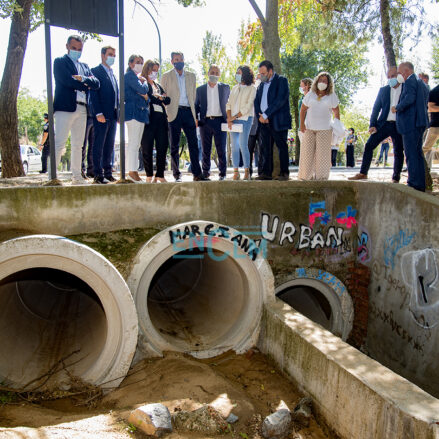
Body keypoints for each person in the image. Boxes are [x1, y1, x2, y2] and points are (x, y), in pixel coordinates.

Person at [53, 35, 99, 184]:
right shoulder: (60, 62)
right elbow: (66, 80)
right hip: (65, 107)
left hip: (82, 108)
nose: (77, 51)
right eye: (74, 48)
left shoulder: (85, 67)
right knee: (60, 142)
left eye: (79, 49)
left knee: (78, 145)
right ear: (67, 46)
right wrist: (84, 84)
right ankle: (52, 176)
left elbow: (96, 83)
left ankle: (77, 176)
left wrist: (83, 79)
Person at [349, 66, 405, 183]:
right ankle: (363, 173)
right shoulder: (383, 90)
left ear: (399, 75)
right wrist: (372, 124)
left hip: (399, 125)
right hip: (383, 124)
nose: (390, 79)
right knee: (369, 145)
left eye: (393, 76)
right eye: (388, 77)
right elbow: (376, 108)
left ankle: (396, 178)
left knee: (398, 151)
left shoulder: (405, 89)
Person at [161, 51, 207, 182]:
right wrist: (167, 112)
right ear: (172, 61)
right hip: (173, 112)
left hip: (188, 112)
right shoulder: (166, 76)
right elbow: (163, 95)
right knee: (174, 145)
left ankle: (197, 174)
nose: (179, 61)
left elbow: (193, 96)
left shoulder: (191, 76)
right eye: (176, 59)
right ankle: (176, 174)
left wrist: (195, 115)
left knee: (193, 144)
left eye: (181, 59)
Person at [392, 62, 429, 192]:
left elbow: (409, 98)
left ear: (406, 71)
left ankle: (413, 183)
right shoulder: (422, 83)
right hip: (419, 122)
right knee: (417, 154)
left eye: (400, 73)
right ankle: (420, 183)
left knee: (411, 154)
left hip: (411, 123)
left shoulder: (410, 81)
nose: (399, 75)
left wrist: (397, 107)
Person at [298, 72, 340, 180]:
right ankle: (305, 179)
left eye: (325, 81)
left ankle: (321, 180)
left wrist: (338, 127)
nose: (322, 82)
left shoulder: (332, 96)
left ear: (329, 83)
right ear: (316, 81)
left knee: (322, 157)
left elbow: (336, 112)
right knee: (307, 156)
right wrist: (301, 124)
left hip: (325, 130)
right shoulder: (311, 94)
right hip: (309, 129)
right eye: (320, 80)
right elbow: (302, 110)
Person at [254, 60, 292, 180]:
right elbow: (256, 102)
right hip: (263, 122)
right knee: (265, 148)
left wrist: (266, 115)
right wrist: (260, 116)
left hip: (278, 121)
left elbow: (280, 100)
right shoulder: (260, 85)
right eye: (260, 73)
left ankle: (284, 173)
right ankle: (266, 173)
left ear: (270, 71)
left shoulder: (281, 81)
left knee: (282, 146)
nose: (261, 76)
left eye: (263, 73)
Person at [89, 46, 119, 184]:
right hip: (101, 114)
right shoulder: (95, 71)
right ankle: (97, 174)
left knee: (109, 145)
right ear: (102, 55)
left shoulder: (113, 73)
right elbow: (93, 93)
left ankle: (108, 172)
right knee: (99, 144)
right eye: (110, 54)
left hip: (112, 115)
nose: (112, 57)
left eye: (114, 54)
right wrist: (98, 112)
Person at [195, 65, 230, 181]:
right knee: (206, 149)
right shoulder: (200, 90)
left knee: (221, 148)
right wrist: (196, 118)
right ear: (208, 73)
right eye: (212, 72)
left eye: (217, 72)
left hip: (221, 121)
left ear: (219, 75)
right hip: (205, 122)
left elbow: (230, 104)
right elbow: (196, 106)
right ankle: (205, 173)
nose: (214, 74)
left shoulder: (225, 88)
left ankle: (222, 173)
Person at [140, 60, 171, 183]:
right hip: (149, 119)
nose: (155, 73)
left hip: (162, 119)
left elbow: (167, 100)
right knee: (147, 146)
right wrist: (159, 98)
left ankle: (160, 174)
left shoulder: (158, 86)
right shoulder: (143, 83)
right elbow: (149, 98)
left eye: (157, 71)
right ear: (147, 69)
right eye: (153, 70)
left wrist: (160, 98)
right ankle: (148, 174)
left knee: (162, 146)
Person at [226, 65, 255, 180]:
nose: (237, 75)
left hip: (246, 119)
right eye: (237, 72)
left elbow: (248, 106)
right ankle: (236, 171)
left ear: (245, 74)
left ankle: (247, 171)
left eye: (239, 72)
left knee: (243, 144)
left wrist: (234, 117)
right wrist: (229, 118)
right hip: (233, 120)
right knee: (234, 146)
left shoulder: (252, 88)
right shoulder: (234, 88)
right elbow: (228, 104)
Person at [124, 55, 149, 183]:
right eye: (137, 62)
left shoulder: (137, 78)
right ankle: (131, 172)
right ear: (130, 63)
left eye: (141, 62)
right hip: (132, 113)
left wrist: (144, 94)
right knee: (133, 143)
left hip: (140, 114)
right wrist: (144, 84)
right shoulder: (129, 76)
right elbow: (143, 90)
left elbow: (147, 97)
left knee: (136, 144)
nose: (140, 64)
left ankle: (134, 171)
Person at [422, 83, 439, 171]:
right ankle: (414, 166)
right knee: (426, 148)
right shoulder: (435, 91)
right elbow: (431, 108)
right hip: (436, 125)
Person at [298, 78, 313, 145]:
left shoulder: (311, 97)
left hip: (308, 127)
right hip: (301, 127)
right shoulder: (302, 98)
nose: (300, 88)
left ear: (307, 86)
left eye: (301, 86)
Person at [81, 112, 94, 178]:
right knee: (83, 145)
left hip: (94, 116)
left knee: (93, 146)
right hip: (84, 115)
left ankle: (91, 170)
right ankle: (81, 169)